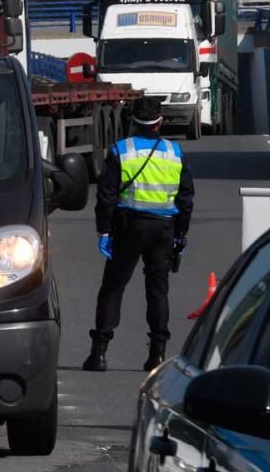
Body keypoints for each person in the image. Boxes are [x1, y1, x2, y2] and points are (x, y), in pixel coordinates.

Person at [82, 96, 195, 372]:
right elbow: (186, 198)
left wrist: (104, 231)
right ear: (160, 121)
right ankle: (156, 355)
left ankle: (99, 354)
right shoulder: (175, 152)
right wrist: (181, 235)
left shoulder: (121, 150)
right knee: (158, 291)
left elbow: (106, 195)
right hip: (164, 229)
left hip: (128, 226)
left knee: (113, 286)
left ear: (132, 121)